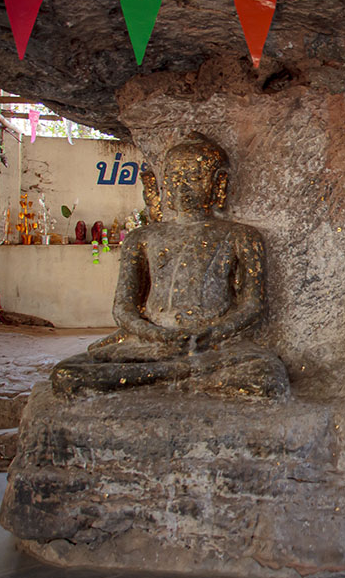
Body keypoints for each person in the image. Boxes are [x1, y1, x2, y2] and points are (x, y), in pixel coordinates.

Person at [51, 133, 289, 398]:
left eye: (195, 177)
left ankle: (162, 378)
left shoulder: (241, 236)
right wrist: (155, 335)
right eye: (174, 178)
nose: (183, 186)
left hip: (212, 345)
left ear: (219, 184)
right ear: (162, 184)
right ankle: (183, 376)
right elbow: (124, 309)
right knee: (67, 374)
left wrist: (210, 334)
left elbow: (252, 306)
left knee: (267, 377)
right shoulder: (142, 238)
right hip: (150, 344)